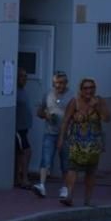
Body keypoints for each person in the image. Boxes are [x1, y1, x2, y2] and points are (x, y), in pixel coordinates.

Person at [57, 77, 110, 206]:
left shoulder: (99, 101)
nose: (89, 91)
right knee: (72, 168)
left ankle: (87, 200)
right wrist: (61, 138)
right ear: (81, 90)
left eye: (91, 88)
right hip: (77, 142)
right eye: (86, 88)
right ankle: (69, 195)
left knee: (91, 171)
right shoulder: (74, 102)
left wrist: (96, 106)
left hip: (93, 143)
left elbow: (106, 118)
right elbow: (66, 121)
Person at [32, 71, 72, 199]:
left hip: (66, 134)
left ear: (66, 83)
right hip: (50, 132)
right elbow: (39, 112)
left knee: (65, 162)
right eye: (56, 83)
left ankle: (65, 188)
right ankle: (42, 185)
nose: (58, 86)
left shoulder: (71, 96)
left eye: (61, 83)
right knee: (46, 159)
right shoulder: (48, 94)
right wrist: (46, 114)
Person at [14, 67, 33, 189]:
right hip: (18, 129)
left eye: (26, 76)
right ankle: (24, 178)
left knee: (20, 153)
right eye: (21, 76)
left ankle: (18, 178)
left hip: (24, 128)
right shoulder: (15, 92)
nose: (24, 79)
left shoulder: (23, 90)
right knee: (27, 151)